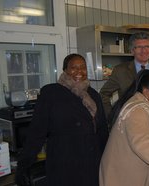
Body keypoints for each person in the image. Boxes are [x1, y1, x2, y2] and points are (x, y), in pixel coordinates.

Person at [15, 53, 109, 186]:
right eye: (73, 67)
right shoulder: (51, 93)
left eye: (82, 67)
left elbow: (102, 130)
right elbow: (37, 131)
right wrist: (24, 164)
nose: (79, 71)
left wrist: (108, 158)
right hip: (63, 160)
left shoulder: (93, 94)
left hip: (91, 161)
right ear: (65, 70)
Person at [100, 32, 149, 123]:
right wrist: (112, 116)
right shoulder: (120, 71)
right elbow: (104, 93)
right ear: (132, 50)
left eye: (147, 46)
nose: (144, 50)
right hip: (129, 122)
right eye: (139, 47)